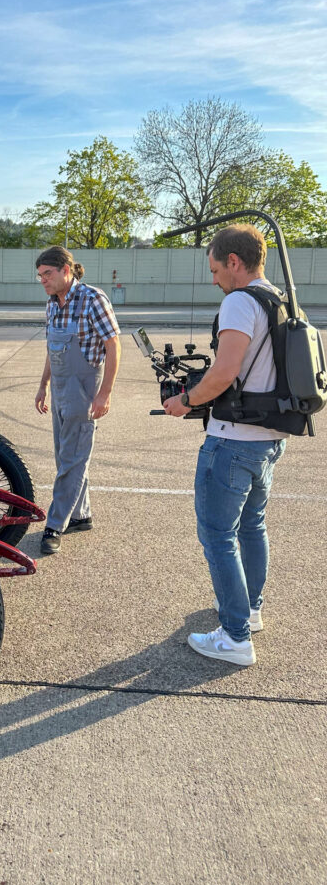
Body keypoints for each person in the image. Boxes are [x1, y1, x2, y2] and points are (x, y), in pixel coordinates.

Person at [163, 223, 287, 666]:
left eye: (215, 269)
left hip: (233, 442)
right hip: (269, 438)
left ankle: (235, 638)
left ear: (234, 263)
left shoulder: (240, 300)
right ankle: (249, 612)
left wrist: (184, 400)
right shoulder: (280, 300)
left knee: (218, 536)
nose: (214, 279)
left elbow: (224, 372)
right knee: (252, 526)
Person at [34, 246, 121, 555]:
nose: (43, 280)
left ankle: (55, 524)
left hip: (83, 392)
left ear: (66, 270)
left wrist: (105, 392)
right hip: (58, 389)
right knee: (66, 456)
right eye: (40, 275)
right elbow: (51, 347)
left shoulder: (93, 299)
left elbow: (113, 346)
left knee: (73, 457)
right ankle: (81, 515)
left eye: (48, 274)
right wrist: (43, 385)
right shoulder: (51, 304)